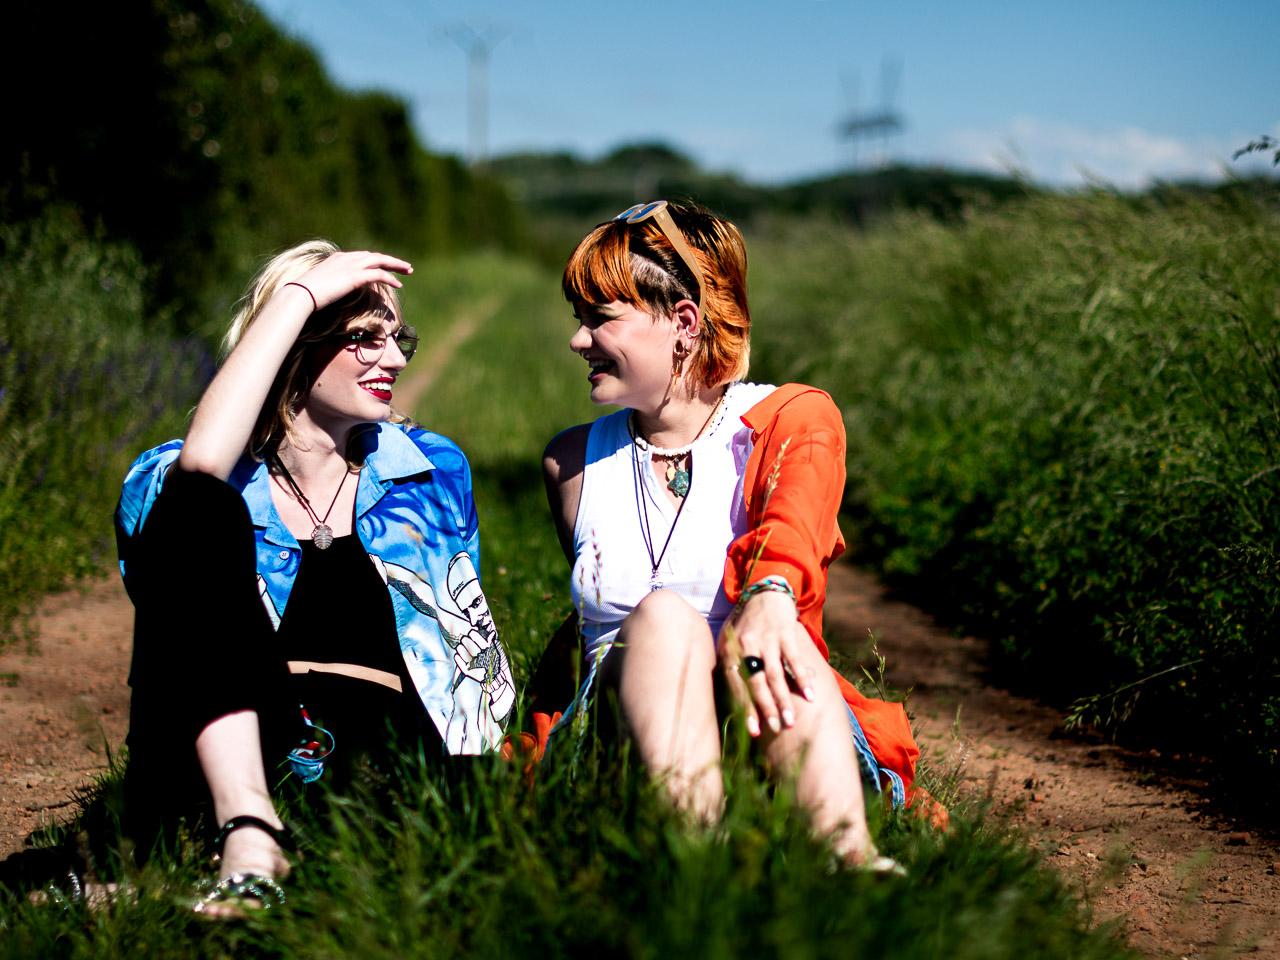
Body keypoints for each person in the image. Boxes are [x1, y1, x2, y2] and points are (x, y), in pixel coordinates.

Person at [114, 241, 514, 909]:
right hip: (239, 773)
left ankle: (193, 880)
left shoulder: (431, 470)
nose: (391, 359)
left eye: (396, 338)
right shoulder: (181, 481)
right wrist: (296, 300)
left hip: (386, 767)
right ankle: (249, 835)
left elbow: (461, 653)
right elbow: (205, 464)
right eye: (363, 337)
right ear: (291, 344)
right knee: (197, 503)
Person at [534, 201, 933, 867]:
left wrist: (770, 594)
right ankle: (701, 861)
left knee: (765, 641)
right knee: (663, 618)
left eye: (598, 319)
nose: (578, 340)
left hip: (768, 715)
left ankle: (849, 860)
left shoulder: (788, 420)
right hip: (621, 741)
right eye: (580, 319)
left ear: (683, 324)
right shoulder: (570, 463)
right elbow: (589, 636)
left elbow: (796, 527)